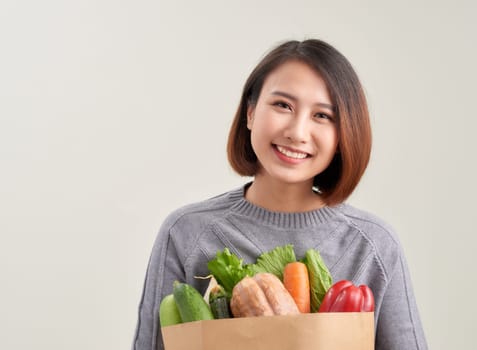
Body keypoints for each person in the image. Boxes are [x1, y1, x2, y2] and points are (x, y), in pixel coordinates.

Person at [132, 39, 428, 350]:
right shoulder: (186, 233)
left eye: (322, 116)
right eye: (282, 105)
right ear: (250, 113)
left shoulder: (372, 246)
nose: (297, 132)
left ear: (343, 136)